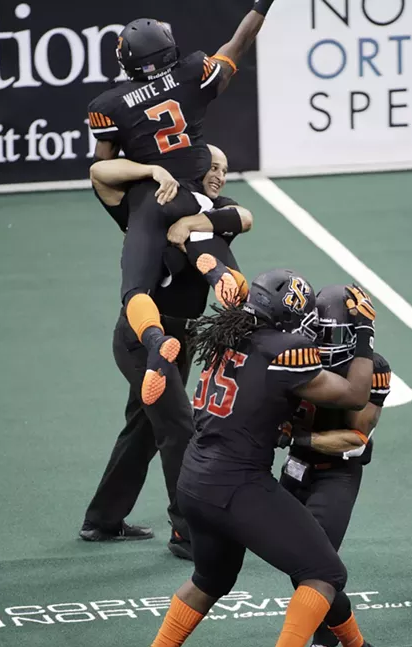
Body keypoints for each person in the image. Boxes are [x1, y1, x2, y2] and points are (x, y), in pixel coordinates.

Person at [132, 271, 381, 647]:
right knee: (323, 571)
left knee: (210, 580)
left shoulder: (224, 335)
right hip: (237, 484)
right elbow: (354, 394)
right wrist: (365, 333)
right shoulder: (284, 350)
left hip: (194, 478)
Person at [88, 0, 277, 406]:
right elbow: (237, 44)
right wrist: (263, 5)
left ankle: (156, 341)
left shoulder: (109, 106)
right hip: (190, 193)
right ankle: (221, 278)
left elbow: (103, 169)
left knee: (135, 289)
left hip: (148, 201)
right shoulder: (192, 73)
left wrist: (148, 171)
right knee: (199, 228)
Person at [80, 148, 251, 559]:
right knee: (178, 428)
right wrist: (152, 169)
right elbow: (100, 171)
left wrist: (194, 222)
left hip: (184, 338)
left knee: (143, 428)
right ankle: (187, 534)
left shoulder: (214, 210)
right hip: (142, 335)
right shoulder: (151, 202)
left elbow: (245, 216)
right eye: (213, 167)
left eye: (225, 170)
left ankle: (101, 520)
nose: (220, 175)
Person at [278, 284, 391, 647]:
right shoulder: (292, 353)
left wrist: (299, 435)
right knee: (295, 562)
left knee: (315, 562)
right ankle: (352, 646)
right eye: (324, 333)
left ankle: (318, 641)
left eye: (341, 334)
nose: (330, 344)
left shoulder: (372, 369)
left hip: (336, 472)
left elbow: (356, 438)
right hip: (295, 467)